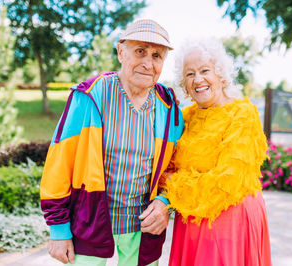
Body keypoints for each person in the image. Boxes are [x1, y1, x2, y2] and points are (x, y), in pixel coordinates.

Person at [40, 19, 184, 266]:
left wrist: (165, 202)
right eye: (140, 51)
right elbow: (59, 164)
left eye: (157, 56)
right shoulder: (89, 96)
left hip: (143, 230)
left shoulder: (169, 108)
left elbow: (176, 169)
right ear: (121, 52)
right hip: (90, 224)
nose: (148, 63)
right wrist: (58, 229)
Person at [163, 38, 272, 266]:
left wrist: (174, 183)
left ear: (221, 75)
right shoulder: (185, 117)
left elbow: (226, 183)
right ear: (184, 84)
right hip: (190, 224)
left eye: (205, 70)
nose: (198, 79)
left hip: (230, 223)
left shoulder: (242, 115)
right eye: (190, 74)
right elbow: (166, 165)